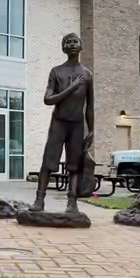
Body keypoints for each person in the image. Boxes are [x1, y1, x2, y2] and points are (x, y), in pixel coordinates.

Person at [30, 33, 94, 214]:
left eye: (75, 41)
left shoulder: (87, 75)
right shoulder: (56, 71)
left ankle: (72, 201)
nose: (72, 44)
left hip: (77, 124)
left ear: (81, 46)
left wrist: (92, 130)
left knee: (74, 164)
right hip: (59, 122)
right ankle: (39, 199)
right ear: (63, 47)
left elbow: (90, 106)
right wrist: (71, 87)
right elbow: (48, 99)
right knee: (49, 161)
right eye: (68, 42)